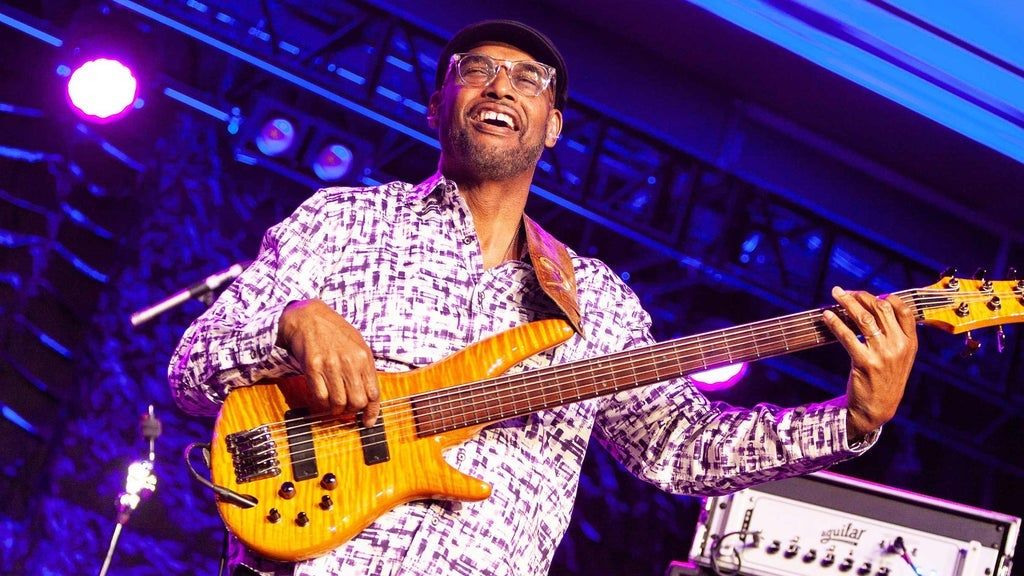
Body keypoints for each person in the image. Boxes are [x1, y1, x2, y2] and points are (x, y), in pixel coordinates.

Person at [168, 19, 918, 576]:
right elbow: (192, 370)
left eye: (529, 80)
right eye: (478, 70)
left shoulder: (596, 300)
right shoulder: (345, 220)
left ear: (554, 128)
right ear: (436, 105)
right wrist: (293, 322)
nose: (501, 86)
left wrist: (853, 421)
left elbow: (679, 447)